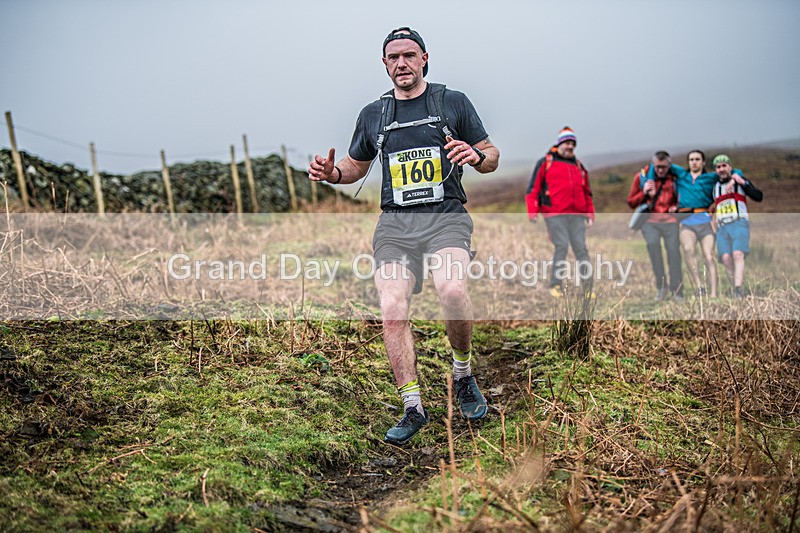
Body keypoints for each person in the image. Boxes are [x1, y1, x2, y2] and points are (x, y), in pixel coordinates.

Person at [307, 27, 499, 445]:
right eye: (393, 58)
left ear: (425, 58)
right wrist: (332, 174)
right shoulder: (374, 114)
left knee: (451, 291)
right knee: (392, 305)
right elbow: (356, 166)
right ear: (384, 64)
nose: (402, 64)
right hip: (395, 225)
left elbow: (492, 155)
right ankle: (412, 406)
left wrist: (477, 155)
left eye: (409, 55)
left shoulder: (453, 102)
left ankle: (463, 375)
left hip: (446, 217)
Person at [645, 151, 745, 298]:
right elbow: (655, 165)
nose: (694, 162)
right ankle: (699, 287)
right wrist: (649, 181)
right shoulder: (682, 175)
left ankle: (713, 293)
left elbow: (734, 171)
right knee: (688, 249)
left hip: (705, 220)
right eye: (691, 159)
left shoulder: (710, 177)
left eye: (697, 159)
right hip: (686, 221)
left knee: (709, 255)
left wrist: (735, 177)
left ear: (703, 162)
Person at [525, 127, 595, 298]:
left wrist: (590, 213)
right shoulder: (545, 162)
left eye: (572, 143)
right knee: (561, 246)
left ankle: (588, 289)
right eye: (566, 143)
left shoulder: (579, 166)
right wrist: (533, 211)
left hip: (577, 214)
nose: (570, 146)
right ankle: (555, 285)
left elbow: (587, 192)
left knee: (581, 249)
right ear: (559, 144)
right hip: (554, 214)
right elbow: (533, 188)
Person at [628, 151, 683, 301]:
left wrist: (677, 207)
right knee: (654, 249)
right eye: (657, 167)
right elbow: (631, 202)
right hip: (650, 221)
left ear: (669, 165)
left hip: (670, 221)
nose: (660, 170)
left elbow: (685, 197)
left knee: (674, 253)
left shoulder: (676, 178)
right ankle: (661, 287)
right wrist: (644, 193)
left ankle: (677, 290)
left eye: (664, 167)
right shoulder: (641, 177)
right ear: (653, 165)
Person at [711, 154, 763, 298]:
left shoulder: (739, 181)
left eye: (724, 166)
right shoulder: (715, 187)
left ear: (730, 167)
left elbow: (758, 196)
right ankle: (735, 287)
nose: (722, 169)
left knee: (737, 254)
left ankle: (738, 289)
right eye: (718, 167)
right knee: (726, 258)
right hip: (722, 226)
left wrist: (740, 181)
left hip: (738, 222)